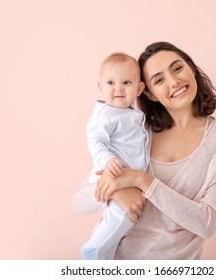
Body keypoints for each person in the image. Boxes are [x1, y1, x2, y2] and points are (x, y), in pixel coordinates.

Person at [73, 42, 216, 259]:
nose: (174, 81)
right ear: (149, 93)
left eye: (177, 68)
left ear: (191, 69)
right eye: (159, 80)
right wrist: (116, 190)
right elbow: (80, 203)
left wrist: (141, 180)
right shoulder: (137, 132)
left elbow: (207, 224)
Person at [80, 52, 148, 260]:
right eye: (110, 82)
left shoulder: (133, 115)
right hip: (110, 173)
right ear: (100, 87)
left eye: (126, 82)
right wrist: (108, 160)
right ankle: (96, 249)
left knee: (118, 216)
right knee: (124, 214)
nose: (118, 88)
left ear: (139, 89)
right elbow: (96, 141)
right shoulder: (104, 114)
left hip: (125, 177)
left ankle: (102, 253)